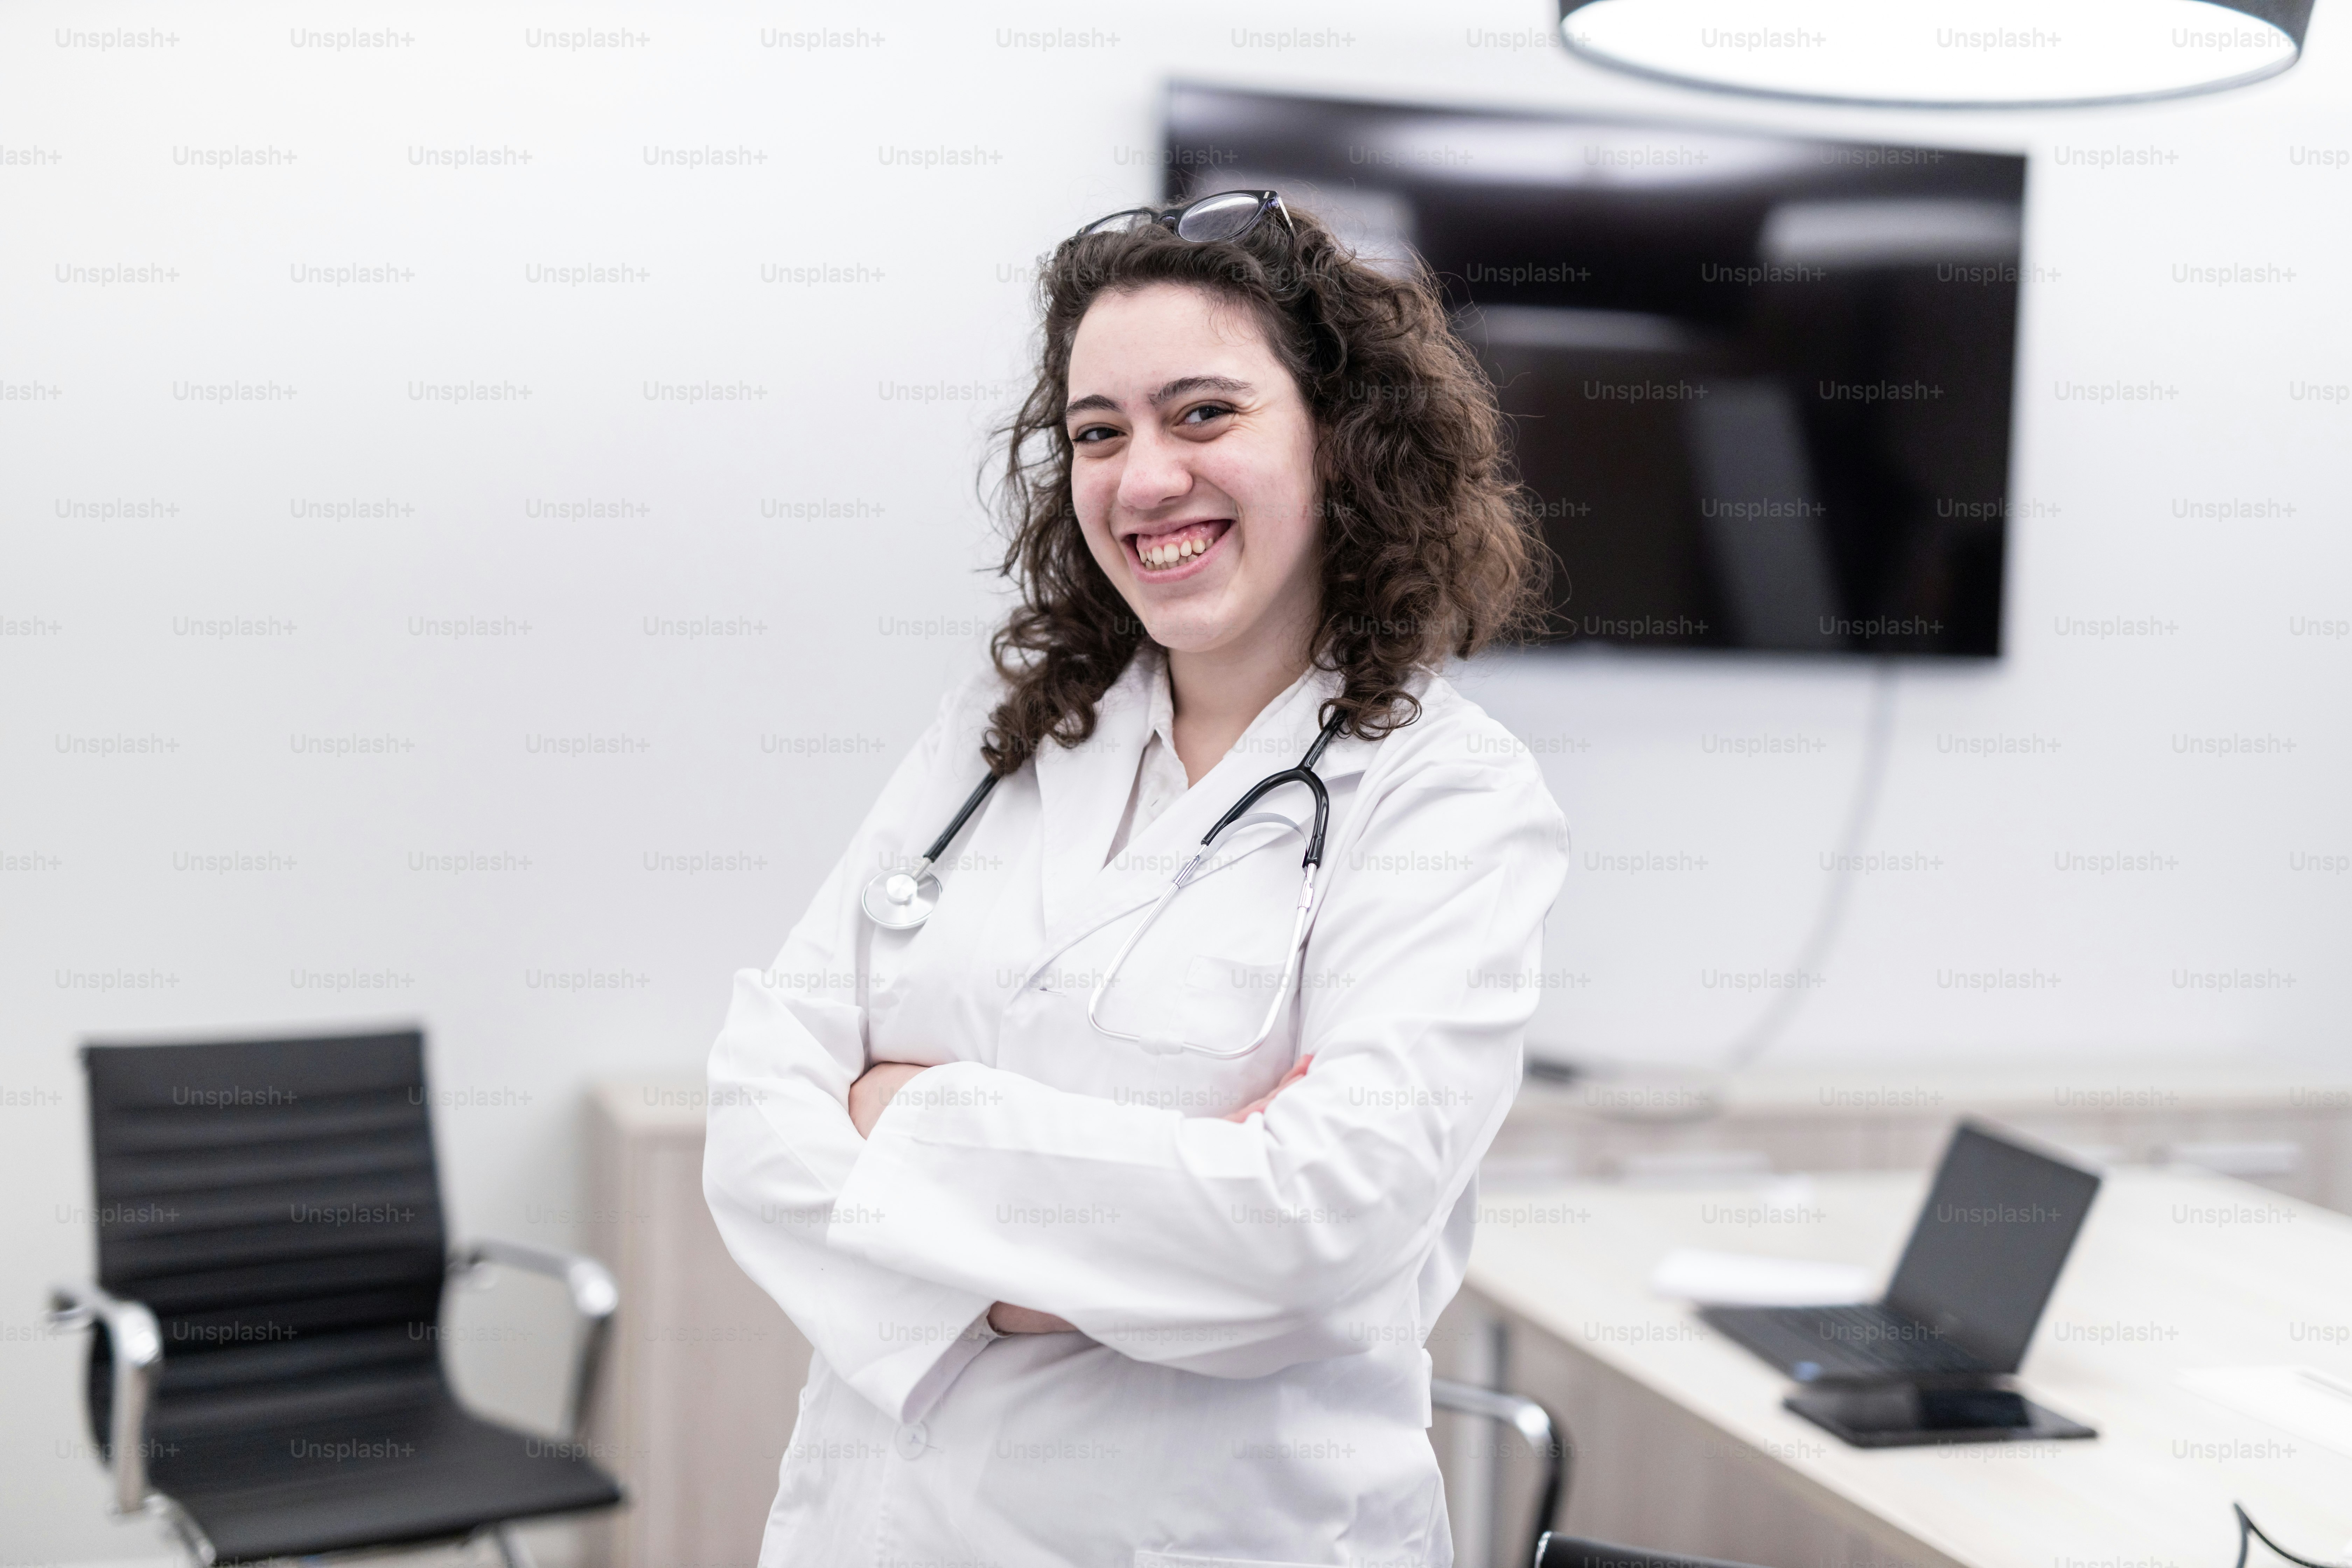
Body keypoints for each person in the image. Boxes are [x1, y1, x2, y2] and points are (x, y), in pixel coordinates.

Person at [702, 189, 1570, 1568]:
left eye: (1204, 413)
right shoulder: (996, 740)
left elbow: (1313, 1230)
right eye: (1098, 432)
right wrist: (1124, 1242)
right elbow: (755, 1115)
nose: (1143, 477)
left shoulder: (1446, 796)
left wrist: (903, 1121)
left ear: (1342, 439)